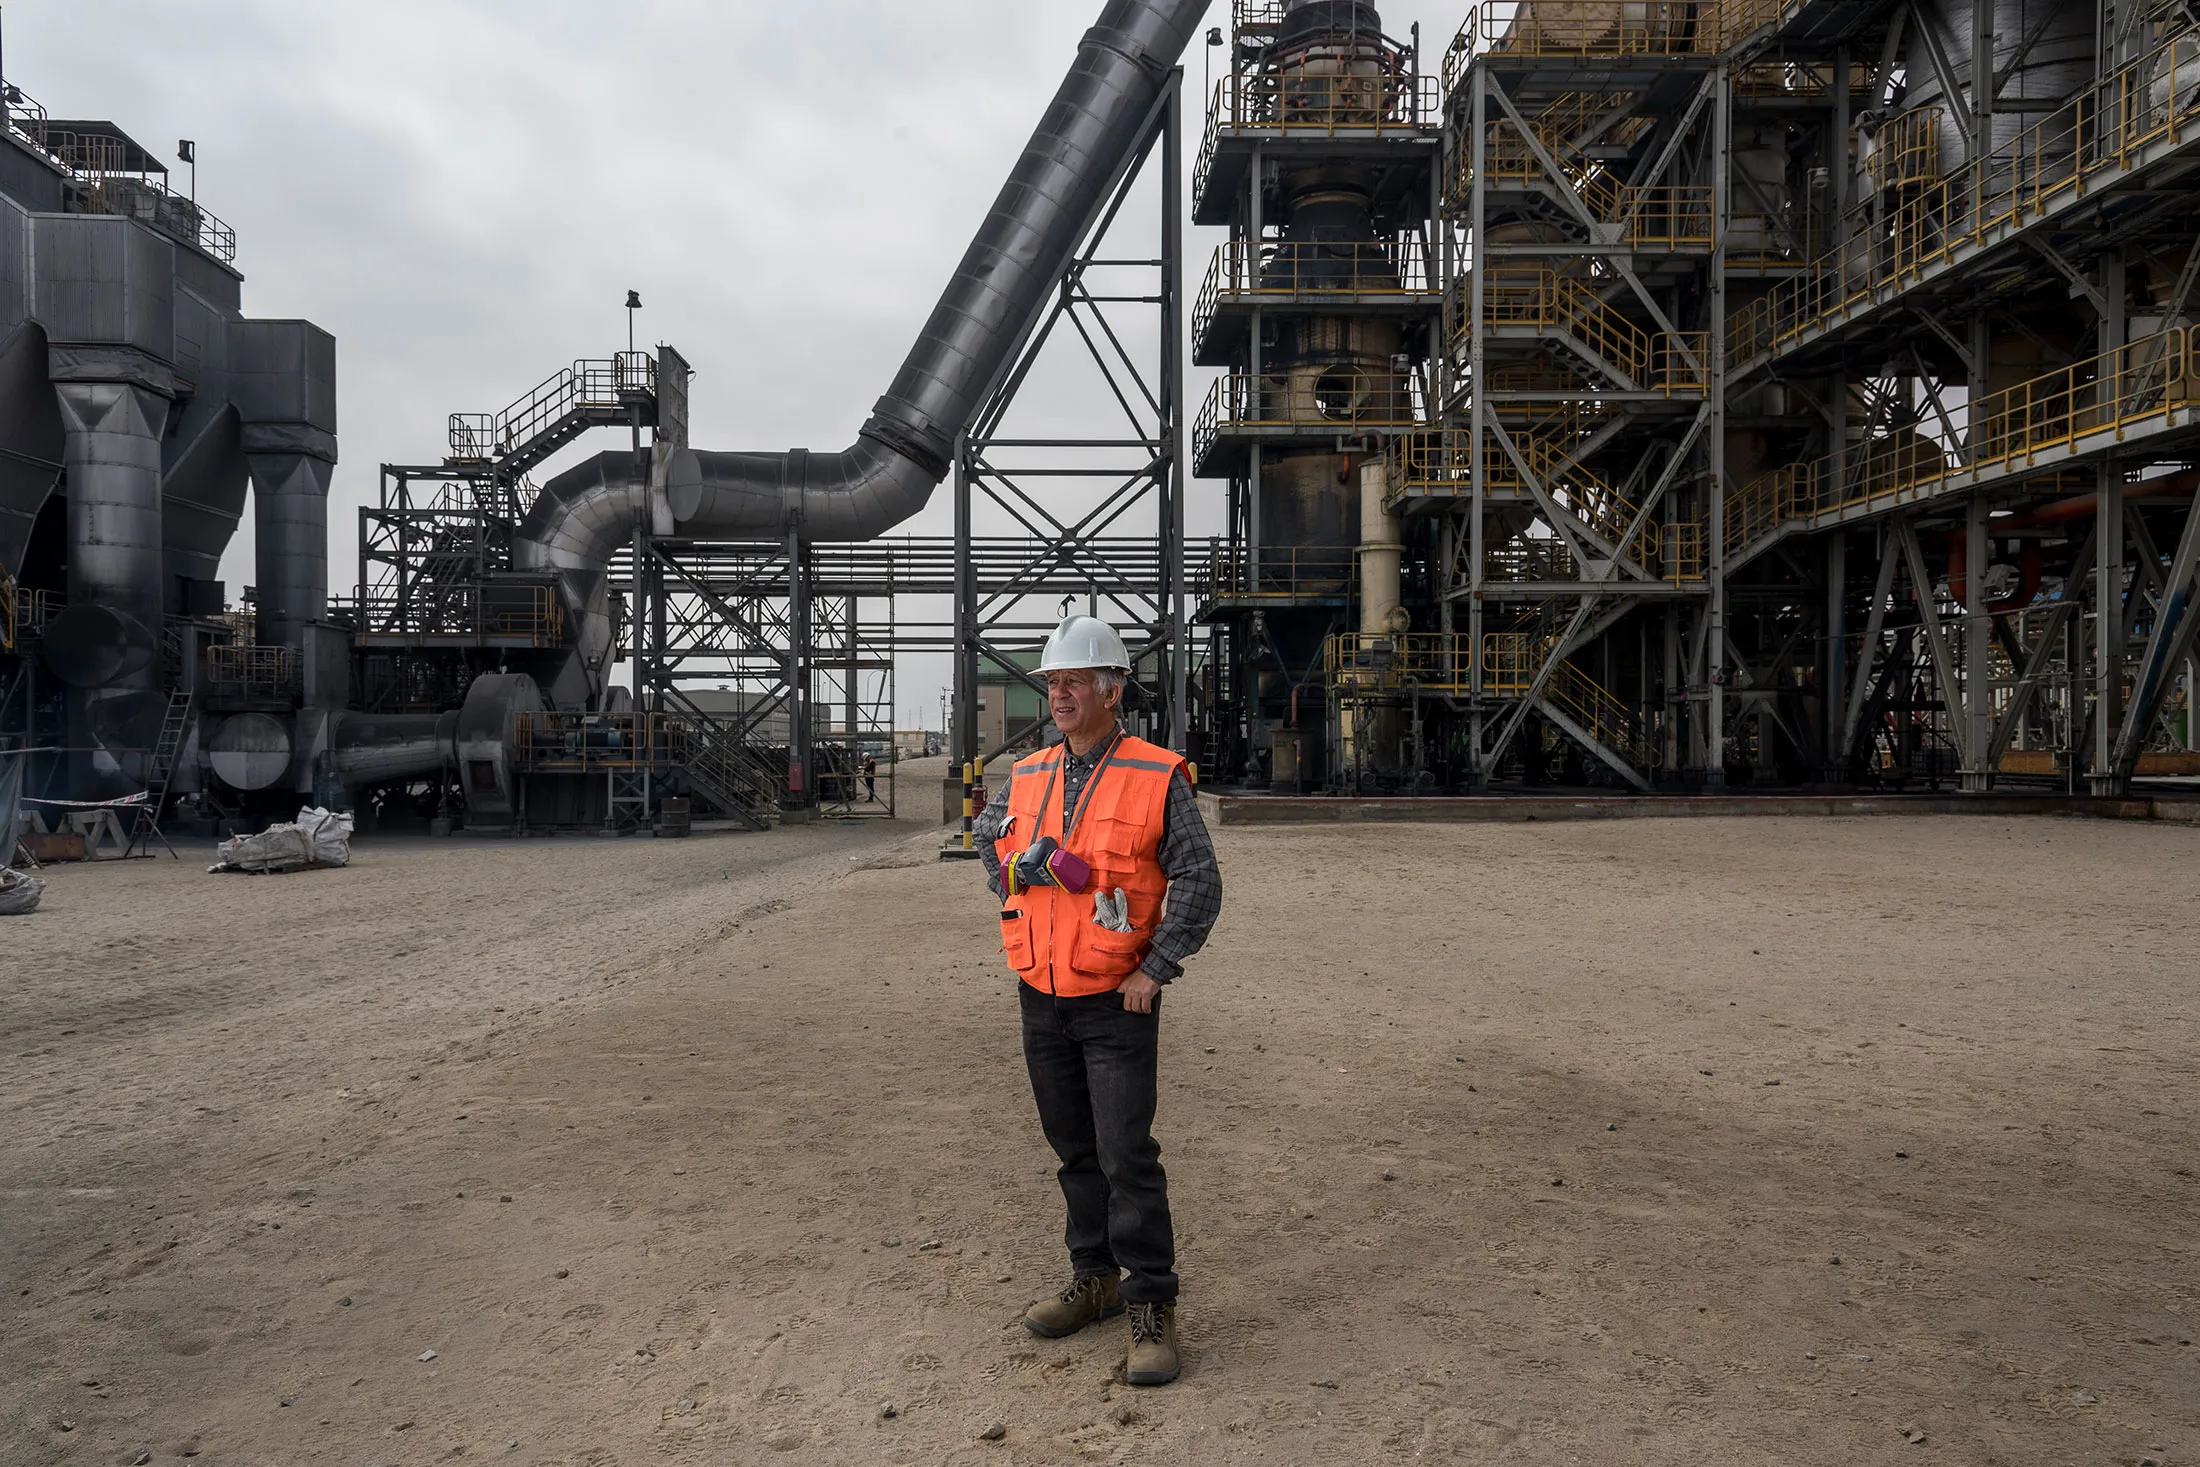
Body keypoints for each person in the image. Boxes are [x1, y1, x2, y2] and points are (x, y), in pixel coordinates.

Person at [972, 615, 1221, 1387]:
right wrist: (1016, 873)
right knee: (1074, 1149)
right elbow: (989, 842)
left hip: (1116, 1001)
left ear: (1112, 691)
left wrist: (1157, 966)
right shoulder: (1031, 772)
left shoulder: (1154, 774)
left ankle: (1151, 1303)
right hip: (1040, 992)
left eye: (1074, 681)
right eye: (1052, 682)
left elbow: (1200, 879)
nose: (1060, 694)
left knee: (1125, 1155)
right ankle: (1096, 1277)